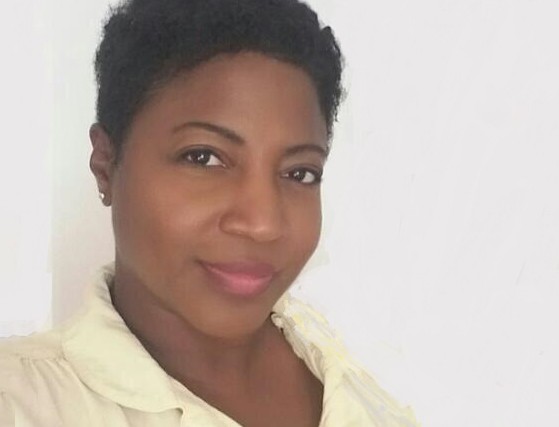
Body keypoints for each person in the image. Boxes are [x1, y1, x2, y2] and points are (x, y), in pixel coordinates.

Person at [0, 0, 418, 425]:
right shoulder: (21, 405)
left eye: (300, 173)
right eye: (203, 157)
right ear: (106, 164)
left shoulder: (361, 395)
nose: (263, 224)